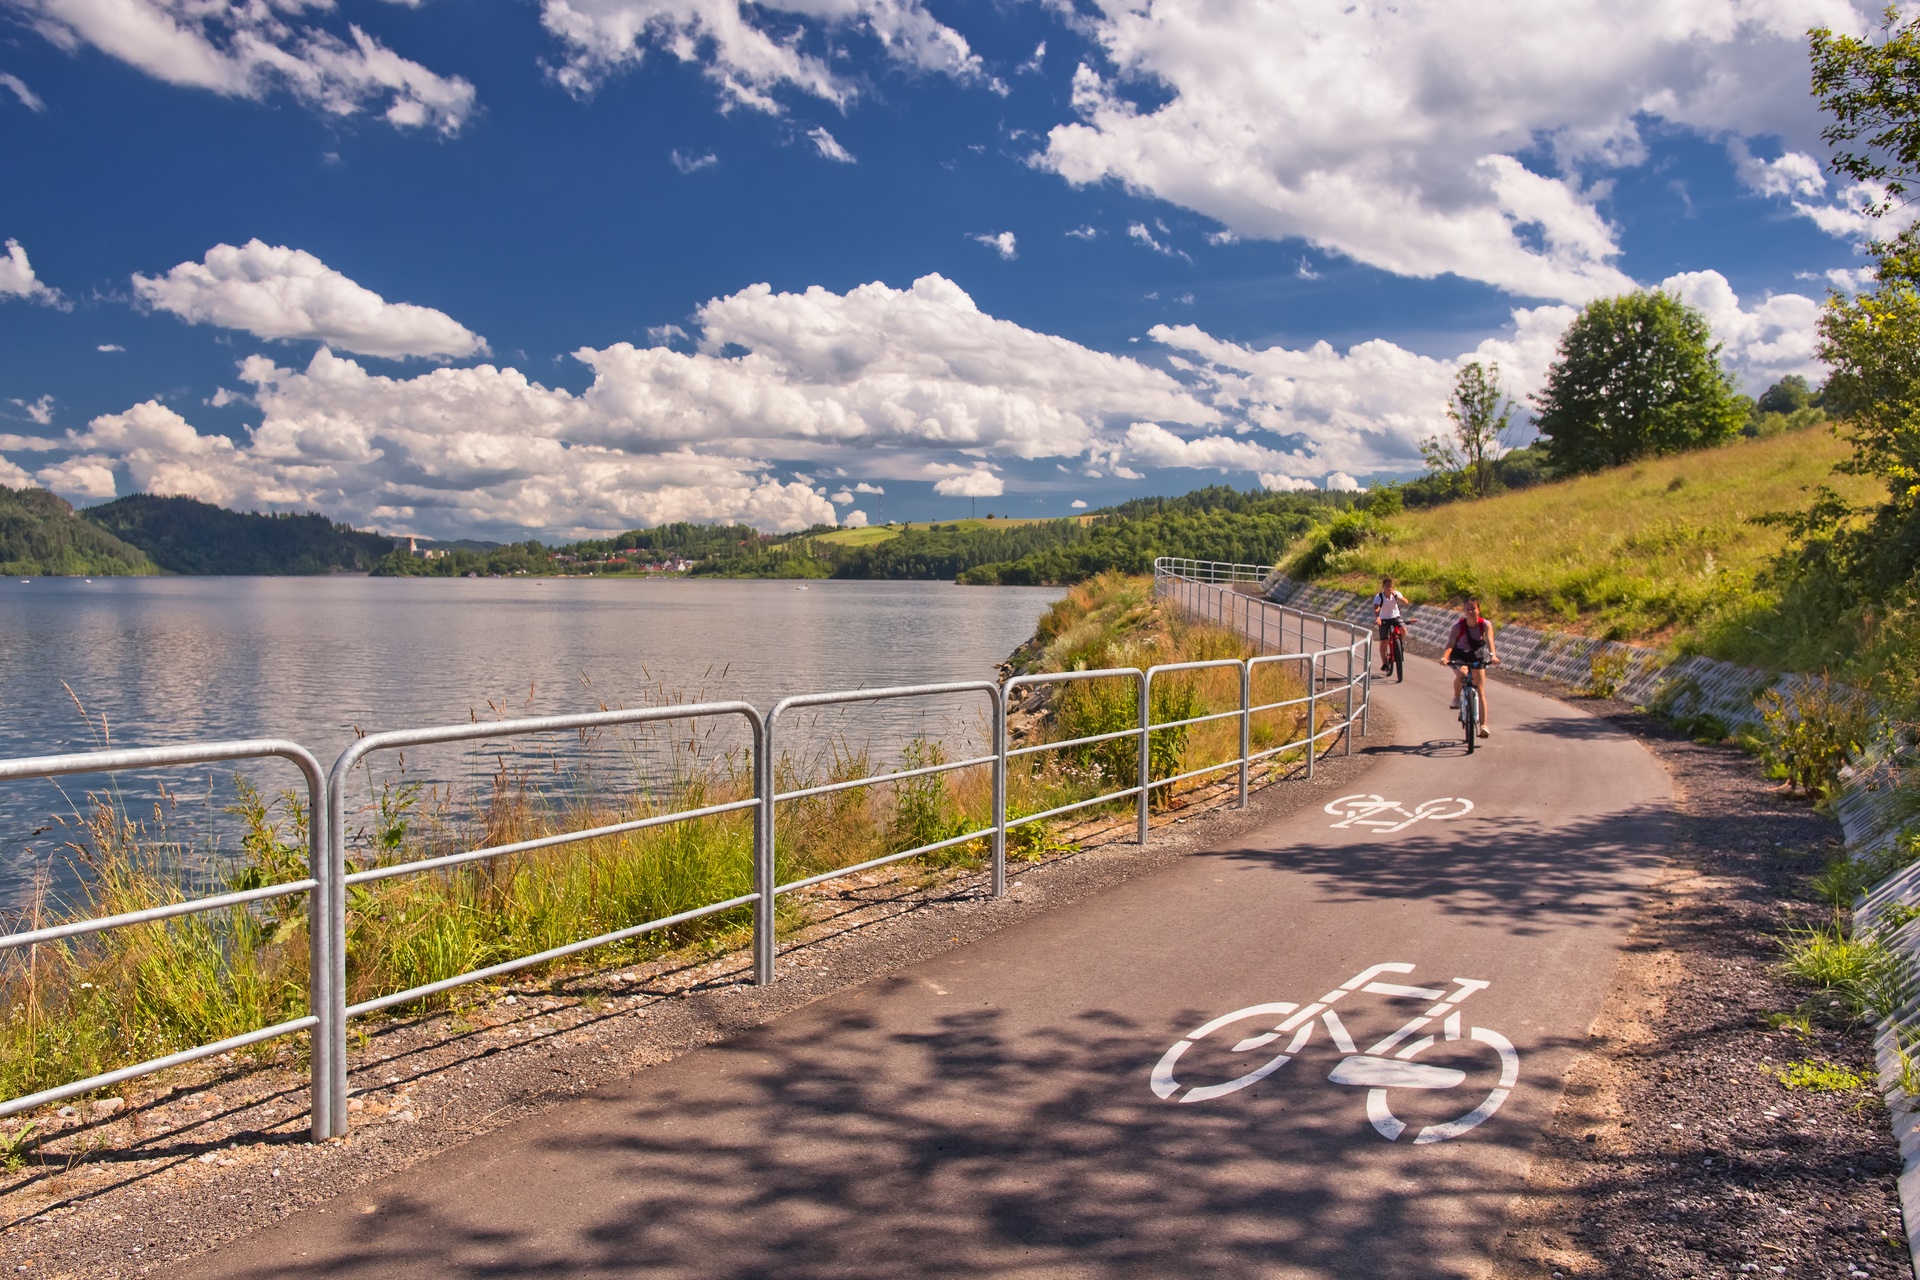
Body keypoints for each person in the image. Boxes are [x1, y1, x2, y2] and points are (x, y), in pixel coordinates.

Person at [1440, 597, 1499, 737]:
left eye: (1473, 608)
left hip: (1475, 655)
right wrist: (1445, 657)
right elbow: (1450, 644)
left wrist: (1492, 656)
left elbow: (1490, 640)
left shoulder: (1485, 625)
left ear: (1479, 609)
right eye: (1468, 609)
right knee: (1463, 673)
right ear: (1464, 610)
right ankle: (1456, 696)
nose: (1471, 611)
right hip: (1459, 655)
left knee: (1480, 690)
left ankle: (1484, 726)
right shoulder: (1458, 626)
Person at [1371, 576, 1410, 674]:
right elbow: (1376, 608)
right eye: (1387, 586)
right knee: (1384, 641)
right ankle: (1384, 663)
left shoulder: (1396, 594)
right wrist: (1378, 617)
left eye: (1391, 586)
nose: (1389, 588)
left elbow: (1406, 602)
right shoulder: (1379, 596)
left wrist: (1398, 598)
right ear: (1383, 587)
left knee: (1403, 629)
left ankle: (1399, 644)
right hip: (1384, 618)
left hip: (1395, 617)